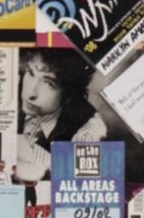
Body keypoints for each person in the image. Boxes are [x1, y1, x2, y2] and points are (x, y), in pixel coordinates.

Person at [16, 49, 107, 182]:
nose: (30, 94)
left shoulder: (88, 128)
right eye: (31, 73)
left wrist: (29, 153)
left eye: (49, 83)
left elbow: (81, 180)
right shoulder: (12, 89)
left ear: (69, 94)